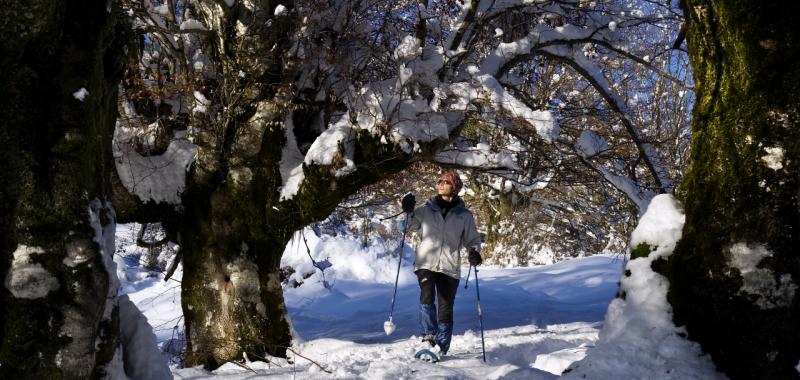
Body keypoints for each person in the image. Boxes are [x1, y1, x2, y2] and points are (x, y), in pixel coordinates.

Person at [401, 170, 482, 356]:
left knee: (445, 307)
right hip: (426, 263)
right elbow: (406, 226)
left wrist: (474, 253)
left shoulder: (464, 215)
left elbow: (473, 240)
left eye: (446, 182)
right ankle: (429, 337)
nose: (441, 184)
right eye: (440, 181)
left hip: (449, 267)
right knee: (427, 296)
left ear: (455, 188)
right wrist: (407, 211)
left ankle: (441, 347)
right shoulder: (425, 209)